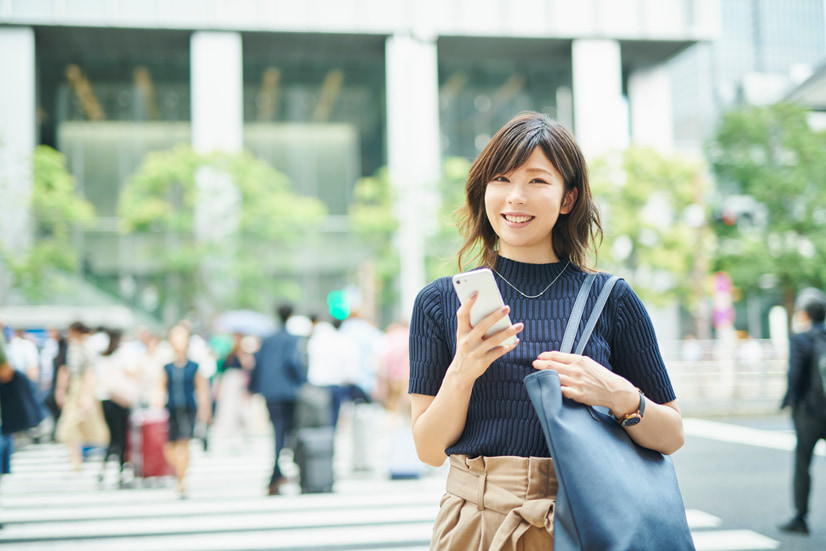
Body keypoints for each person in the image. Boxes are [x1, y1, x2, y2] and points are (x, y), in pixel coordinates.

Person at [408, 111, 685, 549]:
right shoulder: (440, 302)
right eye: (501, 179)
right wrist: (463, 370)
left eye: (537, 181)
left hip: (581, 518)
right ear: (484, 191)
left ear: (567, 198)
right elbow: (427, 450)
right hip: (476, 521)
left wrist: (616, 394)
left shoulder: (610, 298)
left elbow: (671, 435)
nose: (515, 197)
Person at [778, 288, 826, 535]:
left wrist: (789, 400)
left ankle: (800, 517)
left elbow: (795, 373)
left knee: (803, 462)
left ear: (806, 314)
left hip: (809, 411)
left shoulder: (801, 339)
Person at [249, 302, 307, 496]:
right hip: (287, 392)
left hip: (270, 392)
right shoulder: (291, 340)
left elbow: (257, 364)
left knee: (278, 431)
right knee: (284, 432)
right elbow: (293, 362)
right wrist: (302, 381)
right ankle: (275, 473)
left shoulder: (267, 339)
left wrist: (254, 387)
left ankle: (276, 473)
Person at [158, 324, 211, 498]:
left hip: (188, 407)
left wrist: (205, 409)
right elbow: (160, 388)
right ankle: (179, 473)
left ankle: (182, 480)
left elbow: (202, 389)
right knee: (170, 446)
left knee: (185, 443)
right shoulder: (167, 367)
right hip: (172, 407)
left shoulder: (194, 366)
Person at [54, 322, 110, 472]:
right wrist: (61, 390)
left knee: (85, 424)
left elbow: (89, 371)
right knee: (70, 425)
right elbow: (65, 368)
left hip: (83, 386)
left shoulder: (87, 346)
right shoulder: (72, 347)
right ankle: (75, 459)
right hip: (75, 386)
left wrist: (86, 394)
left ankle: (83, 459)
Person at [96, 328, 140, 486]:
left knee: (113, 436)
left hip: (105, 398)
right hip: (120, 399)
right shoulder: (123, 352)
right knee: (121, 436)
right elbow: (132, 372)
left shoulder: (104, 355)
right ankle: (122, 469)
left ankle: (104, 469)